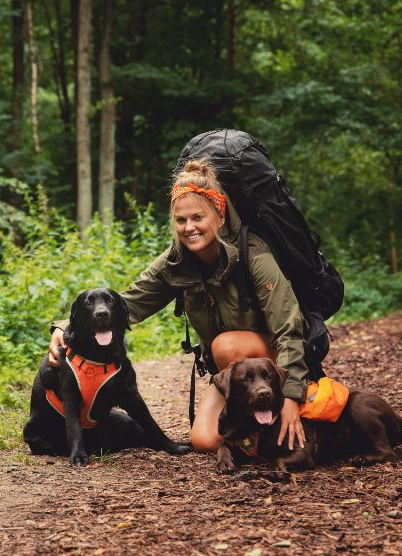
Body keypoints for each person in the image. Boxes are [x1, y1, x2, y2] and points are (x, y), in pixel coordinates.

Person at [47, 159, 311, 453]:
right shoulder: (175, 263)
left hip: (274, 367)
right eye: (181, 220)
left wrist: (290, 398)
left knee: (225, 345)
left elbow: (290, 328)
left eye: (198, 217)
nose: (189, 228)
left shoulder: (254, 257)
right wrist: (64, 327)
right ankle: (252, 422)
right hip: (234, 376)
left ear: (219, 216)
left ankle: (283, 403)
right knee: (204, 441)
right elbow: (126, 304)